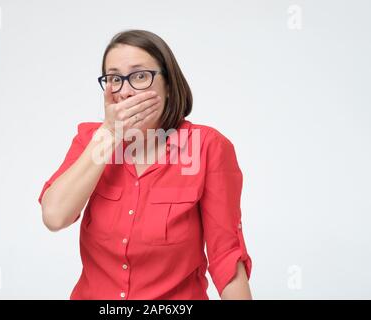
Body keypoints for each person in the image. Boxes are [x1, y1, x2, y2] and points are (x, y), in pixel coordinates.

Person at [38, 29, 252, 300]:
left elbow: (226, 257)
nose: (125, 92)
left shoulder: (207, 147)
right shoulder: (92, 141)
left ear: (169, 84)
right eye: (114, 78)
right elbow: (55, 216)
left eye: (140, 76)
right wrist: (111, 134)